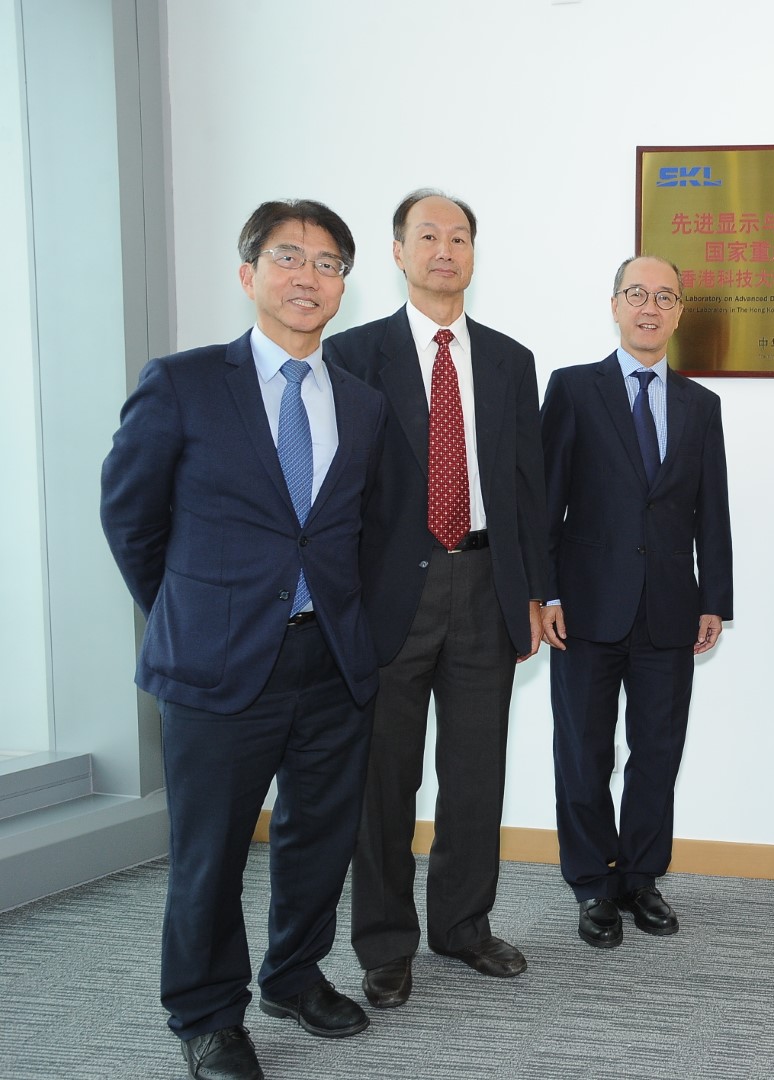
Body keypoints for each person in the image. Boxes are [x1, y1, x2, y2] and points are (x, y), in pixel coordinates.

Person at [101, 199, 385, 1080]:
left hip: (330, 660)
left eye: (329, 263)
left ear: (343, 284)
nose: (308, 277)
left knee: (318, 838)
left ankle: (294, 977)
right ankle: (206, 1013)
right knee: (210, 852)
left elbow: (363, 533)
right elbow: (130, 519)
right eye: (289, 257)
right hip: (216, 667)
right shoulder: (182, 382)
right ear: (248, 273)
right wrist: (194, 611)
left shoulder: (366, 404)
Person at [325, 190, 549, 1009]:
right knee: (384, 780)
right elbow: (337, 493)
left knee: (474, 773)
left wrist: (535, 591)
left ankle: (463, 926)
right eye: (428, 236)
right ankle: (385, 944)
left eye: (458, 237)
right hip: (389, 594)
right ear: (397, 251)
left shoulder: (508, 360)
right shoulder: (352, 356)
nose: (444, 250)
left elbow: (527, 489)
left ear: (474, 254)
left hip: (488, 586)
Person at [538, 255, 733, 949]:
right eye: (637, 295)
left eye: (666, 297)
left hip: (669, 610)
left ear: (680, 312)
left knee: (656, 750)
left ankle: (641, 877)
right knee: (584, 752)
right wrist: (546, 592)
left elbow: (711, 511)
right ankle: (592, 884)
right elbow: (545, 500)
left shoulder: (699, 405)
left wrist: (715, 597)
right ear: (614, 305)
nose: (650, 308)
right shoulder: (572, 389)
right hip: (584, 609)